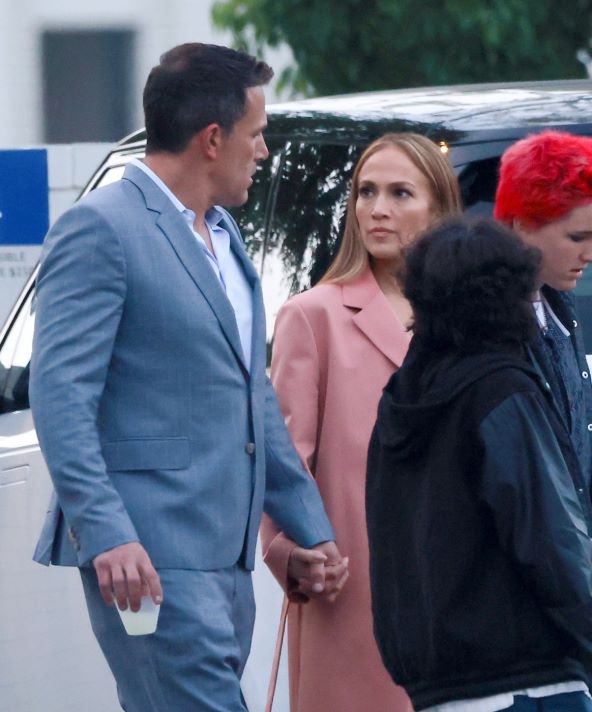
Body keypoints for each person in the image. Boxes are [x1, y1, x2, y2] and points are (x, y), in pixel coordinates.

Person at [29, 42, 347, 712]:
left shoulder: (226, 237)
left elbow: (253, 398)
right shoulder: (100, 229)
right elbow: (61, 397)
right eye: (256, 135)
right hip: (146, 558)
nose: (263, 152)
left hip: (227, 564)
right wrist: (108, 532)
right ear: (212, 139)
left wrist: (309, 525)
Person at [261, 133, 462, 712]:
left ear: (440, 209)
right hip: (353, 595)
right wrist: (289, 554)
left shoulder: (470, 317)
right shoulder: (313, 316)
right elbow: (282, 463)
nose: (377, 209)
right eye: (366, 192)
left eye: (400, 193)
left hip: (461, 595)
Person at [366, 216, 592, 712]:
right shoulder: (502, 391)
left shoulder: (400, 400)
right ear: (507, 296)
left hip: (439, 686)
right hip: (530, 678)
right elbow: (550, 539)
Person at [494, 130, 592, 505]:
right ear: (522, 225)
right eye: (577, 237)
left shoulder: (559, 305)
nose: (589, 254)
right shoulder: (486, 325)